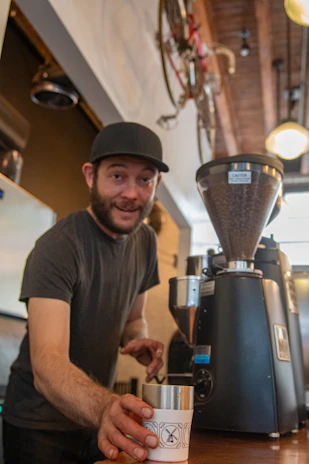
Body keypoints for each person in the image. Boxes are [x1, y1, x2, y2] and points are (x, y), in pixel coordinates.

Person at [2, 122, 170, 464]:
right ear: (91, 175)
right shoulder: (59, 246)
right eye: (118, 176)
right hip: (39, 426)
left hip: (94, 423)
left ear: (157, 184)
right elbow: (47, 363)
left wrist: (138, 339)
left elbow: (134, 318)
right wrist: (106, 406)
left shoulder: (145, 242)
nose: (132, 194)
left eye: (145, 179)